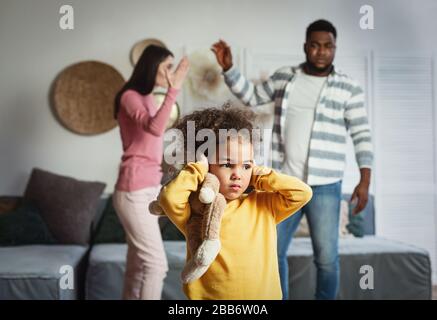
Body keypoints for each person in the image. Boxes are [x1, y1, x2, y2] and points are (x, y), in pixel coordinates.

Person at [211, 19, 373, 299]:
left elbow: (361, 134)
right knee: (272, 251)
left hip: (326, 184)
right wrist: (229, 68)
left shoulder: (349, 88)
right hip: (285, 183)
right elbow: (251, 96)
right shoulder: (284, 77)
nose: (321, 51)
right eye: (315, 45)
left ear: (334, 48)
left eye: (328, 46)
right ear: (305, 47)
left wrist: (365, 180)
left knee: (326, 259)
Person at [158, 106, 313, 299]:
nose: (237, 175)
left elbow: (303, 193)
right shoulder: (197, 212)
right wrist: (198, 169)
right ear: (206, 164)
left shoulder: (263, 205)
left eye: (246, 165)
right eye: (226, 164)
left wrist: (259, 176)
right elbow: (168, 197)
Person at [113, 44, 189, 299]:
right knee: (157, 265)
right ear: (152, 65)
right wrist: (173, 89)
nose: (170, 72)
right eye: (167, 66)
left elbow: (156, 132)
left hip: (148, 189)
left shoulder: (147, 97)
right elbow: (155, 128)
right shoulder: (130, 96)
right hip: (132, 190)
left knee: (137, 268)